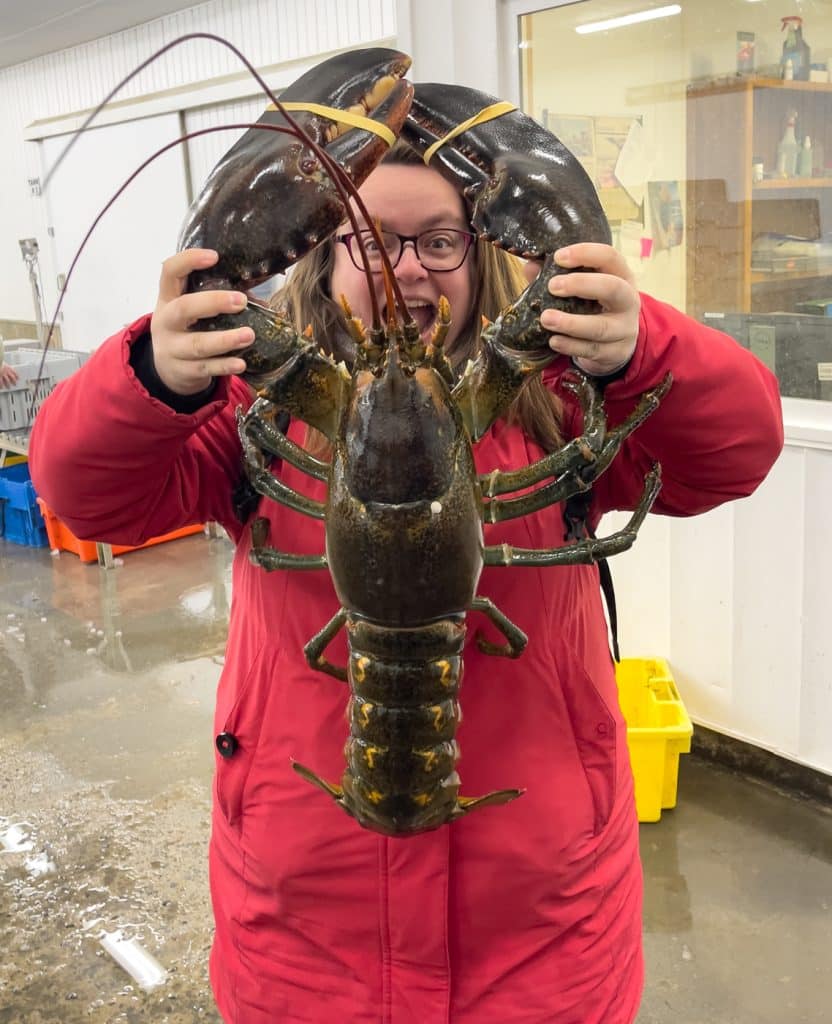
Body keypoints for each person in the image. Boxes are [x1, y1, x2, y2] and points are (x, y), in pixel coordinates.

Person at [29, 137, 784, 1023]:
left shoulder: (559, 404)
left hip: (543, 939)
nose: (409, 270)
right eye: (369, 239)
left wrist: (641, 348)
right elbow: (84, 493)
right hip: (308, 940)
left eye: (440, 240)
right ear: (319, 253)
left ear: (485, 251)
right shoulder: (248, 407)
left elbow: (735, 451)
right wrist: (157, 373)